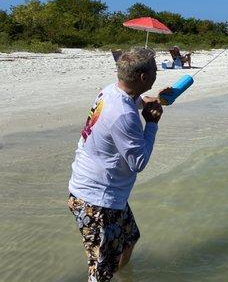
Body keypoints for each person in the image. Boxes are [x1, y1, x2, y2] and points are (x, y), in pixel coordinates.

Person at [67, 47, 170, 281]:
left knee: (130, 238)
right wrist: (152, 123)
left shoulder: (110, 91)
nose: (156, 74)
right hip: (96, 201)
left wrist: (153, 100)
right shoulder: (124, 115)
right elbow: (139, 162)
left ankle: (123, 276)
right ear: (144, 77)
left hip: (104, 194)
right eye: (154, 70)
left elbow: (132, 101)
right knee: (100, 272)